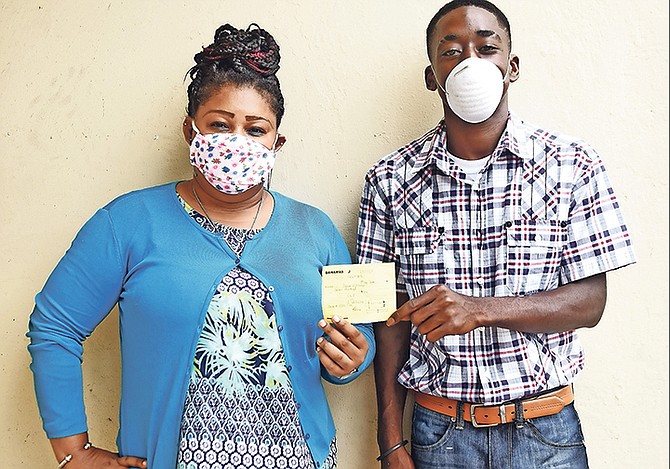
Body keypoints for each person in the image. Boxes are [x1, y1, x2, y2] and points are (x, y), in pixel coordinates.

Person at [27, 23, 374, 469]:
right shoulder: (129, 222)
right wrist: (72, 453)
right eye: (219, 125)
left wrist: (353, 359)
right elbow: (55, 327)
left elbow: (357, 333)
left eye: (255, 129)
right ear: (192, 132)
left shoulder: (316, 229)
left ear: (276, 142)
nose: (236, 141)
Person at [356, 1, 636, 468]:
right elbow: (388, 323)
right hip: (440, 434)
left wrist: (479, 310)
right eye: (452, 52)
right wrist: (390, 442)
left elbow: (590, 303)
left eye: (487, 48)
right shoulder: (389, 180)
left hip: (547, 431)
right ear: (433, 76)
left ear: (512, 66)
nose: (471, 62)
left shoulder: (571, 165)